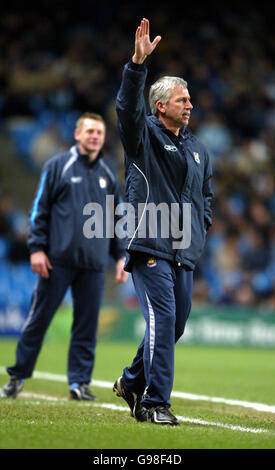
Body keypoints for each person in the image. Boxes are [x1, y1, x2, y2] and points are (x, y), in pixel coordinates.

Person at [113, 19, 213, 425]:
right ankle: (156, 403)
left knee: (175, 324)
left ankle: (131, 381)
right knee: (163, 318)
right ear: (161, 106)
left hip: (183, 250)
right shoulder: (144, 137)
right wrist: (137, 64)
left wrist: (201, 225)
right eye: (182, 100)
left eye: (190, 99)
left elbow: (205, 195)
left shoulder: (199, 149)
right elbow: (126, 109)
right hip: (150, 242)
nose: (190, 105)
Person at [1, 112, 128, 400]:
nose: (95, 136)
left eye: (99, 132)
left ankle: (79, 383)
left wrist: (121, 256)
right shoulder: (58, 166)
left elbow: (117, 219)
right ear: (77, 134)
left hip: (94, 265)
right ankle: (17, 376)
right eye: (89, 131)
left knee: (86, 326)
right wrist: (36, 249)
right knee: (38, 321)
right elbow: (40, 210)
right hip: (57, 262)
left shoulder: (108, 172)